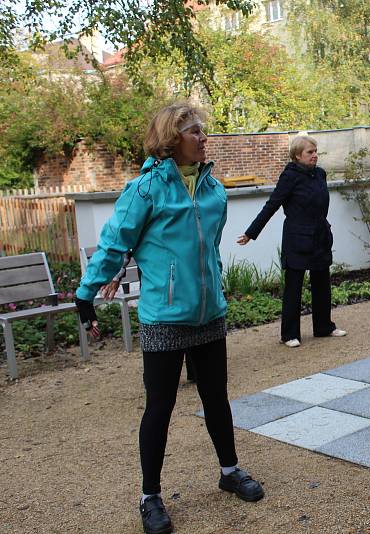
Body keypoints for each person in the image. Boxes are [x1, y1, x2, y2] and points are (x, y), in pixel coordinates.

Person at [75, 103, 264, 534]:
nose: (203, 138)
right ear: (170, 139)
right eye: (194, 131)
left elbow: (209, 249)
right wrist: (86, 293)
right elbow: (113, 242)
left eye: (202, 131)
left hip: (208, 313)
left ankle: (229, 471)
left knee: (217, 398)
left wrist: (213, 287)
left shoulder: (213, 188)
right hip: (165, 317)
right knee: (160, 406)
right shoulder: (146, 190)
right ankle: (150, 497)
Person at [237, 135, 346, 348]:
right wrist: (251, 233)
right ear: (297, 156)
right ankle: (289, 334)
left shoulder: (320, 174)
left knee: (322, 283)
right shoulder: (289, 176)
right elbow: (272, 205)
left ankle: (323, 326)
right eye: (309, 152)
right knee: (293, 288)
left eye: (316, 152)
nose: (315, 155)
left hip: (320, 236)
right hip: (297, 239)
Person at [100, 252, 196, 382]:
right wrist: (115, 275)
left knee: (191, 314)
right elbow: (125, 243)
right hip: (154, 284)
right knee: (158, 325)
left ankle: (194, 370)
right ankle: (158, 376)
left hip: (188, 279)